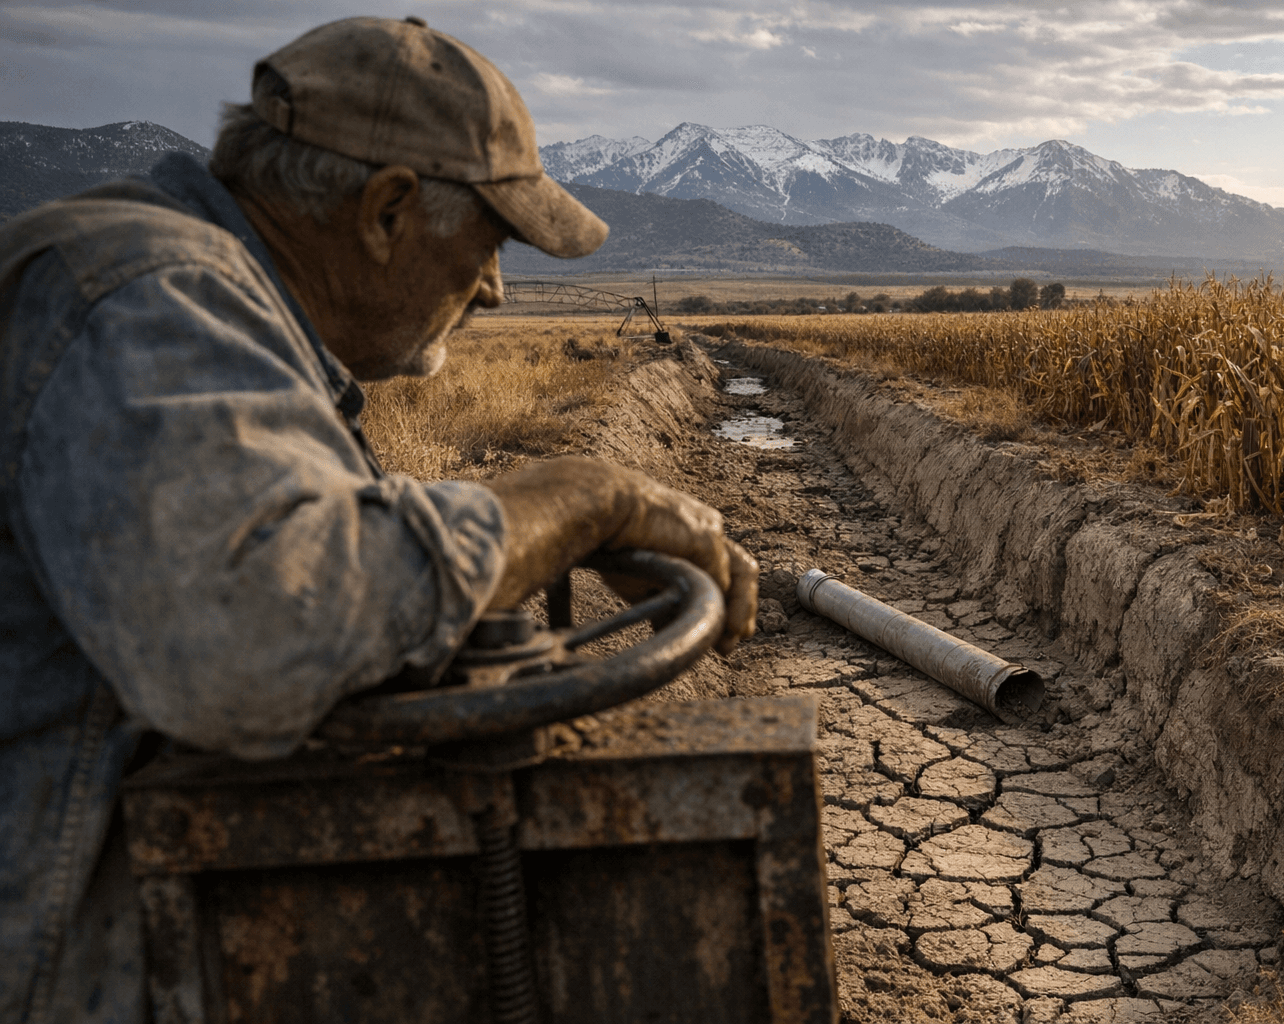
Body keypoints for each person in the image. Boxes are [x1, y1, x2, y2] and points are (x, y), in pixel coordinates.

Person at [0, 16, 757, 1023]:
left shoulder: (216, 309)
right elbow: (259, 631)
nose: (495, 287)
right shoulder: (143, 299)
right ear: (388, 209)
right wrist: (584, 497)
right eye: (490, 242)